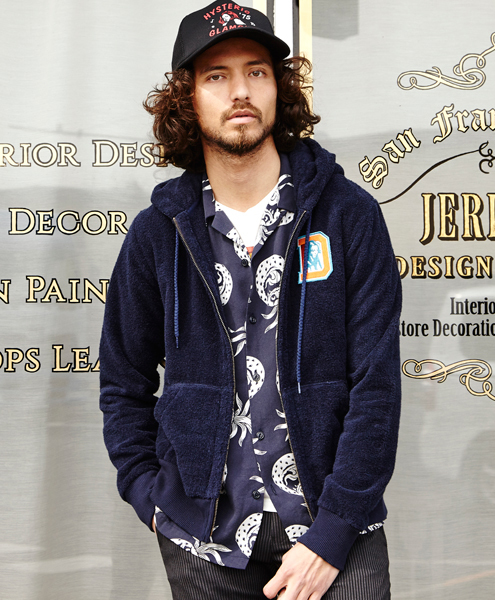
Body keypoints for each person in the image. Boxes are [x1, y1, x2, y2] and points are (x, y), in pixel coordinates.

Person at [99, 3, 402, 599]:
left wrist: (333, 534)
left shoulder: (347, 215)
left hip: (334, 527)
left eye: (256, 71)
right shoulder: (158, 233)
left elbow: (377, 388)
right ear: (187, 98)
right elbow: (123, 379)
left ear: (278, 88)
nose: (240, 90)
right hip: (204, 541)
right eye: (217, 75)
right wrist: (148, 495)